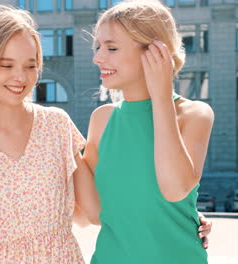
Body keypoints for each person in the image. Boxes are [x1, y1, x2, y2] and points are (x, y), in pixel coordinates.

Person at [73, 0, 214, 263]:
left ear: (156, 51)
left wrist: (160, 94)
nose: (97, 57)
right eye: (98, 47)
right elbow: (91, 213)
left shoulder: (195, 114)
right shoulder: (101, 119)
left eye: (112, 48)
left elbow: (174, 190)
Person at [0, 5, 89, 263]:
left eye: (30, 65)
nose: (20, 77)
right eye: (6, 64)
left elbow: (92, 212)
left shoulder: (57, 125)